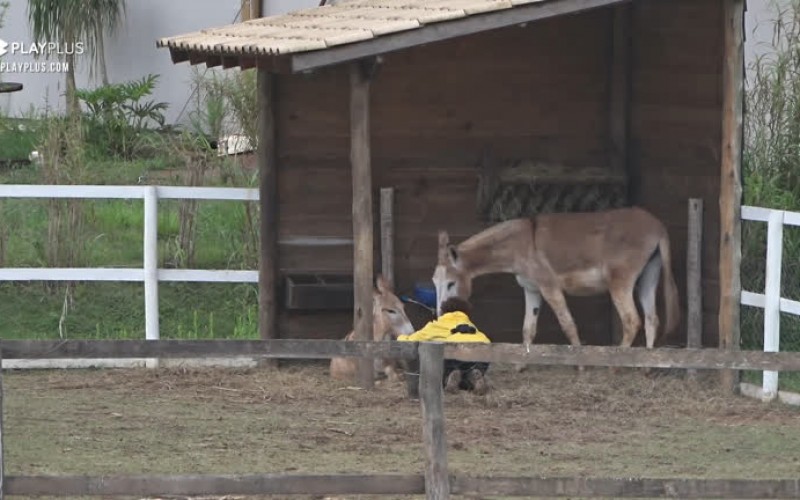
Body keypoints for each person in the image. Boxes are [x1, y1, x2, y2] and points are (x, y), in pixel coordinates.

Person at [397, 296, 491, 395]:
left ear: (443, 311)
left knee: (445, 363)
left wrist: (400, 336)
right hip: (480, 351)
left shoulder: (437, 325)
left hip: (454, 353)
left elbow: (410, 341)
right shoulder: (470, 325)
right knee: (472, 369)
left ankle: (449, 375)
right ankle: (473, 375)